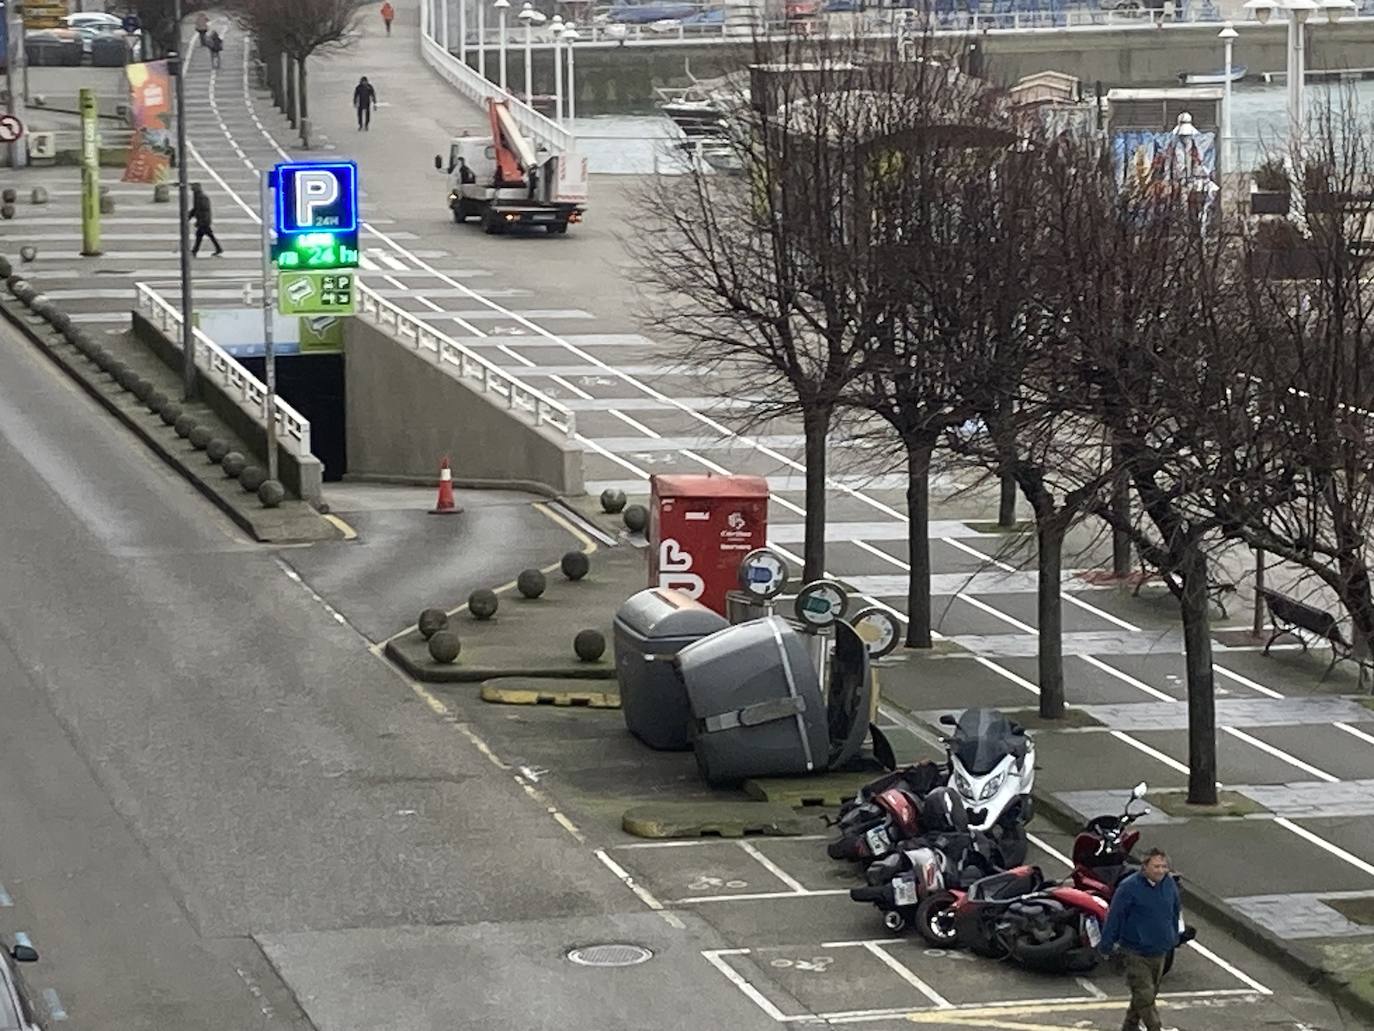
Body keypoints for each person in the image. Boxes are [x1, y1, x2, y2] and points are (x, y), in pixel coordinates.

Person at [1097, 849, 1181, 1031]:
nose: (1160, 871)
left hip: (1160, 950)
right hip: (1135, 952)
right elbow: (1115, 917)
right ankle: (1155, 1028)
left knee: (1148, 994)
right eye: (1156, 866)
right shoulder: (1128, 887)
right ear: (1145, 867)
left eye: (1164, 867)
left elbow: (1174, 910)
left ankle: (1130, 1026)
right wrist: (1106, 945)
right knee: (1144, 995)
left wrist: (1174, 936)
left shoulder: (1169, 884)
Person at [188, 183, 223, 257]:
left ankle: (195, 251)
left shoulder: (201, 197)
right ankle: (218, 248)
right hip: (203, 220)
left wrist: (199, 220)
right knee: (207, 235)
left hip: (204, 221)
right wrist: (189, 216)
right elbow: (196, 209)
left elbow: (202, 210)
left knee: (200, 235)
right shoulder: (198, 197)